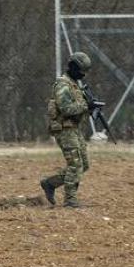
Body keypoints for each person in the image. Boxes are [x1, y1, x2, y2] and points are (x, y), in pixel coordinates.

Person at [40, 52, 93, 208]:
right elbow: (66, 109)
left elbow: (78, 108)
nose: (83, 75)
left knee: (83, 164)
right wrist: (85, 105)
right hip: (64, 129)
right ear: (74, 68)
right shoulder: (63, 84)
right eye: (81, 71)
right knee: (75, 164)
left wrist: (90, 107)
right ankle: (70, 199)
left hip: (73, 128)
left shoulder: (74, 84)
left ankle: (50, 183)